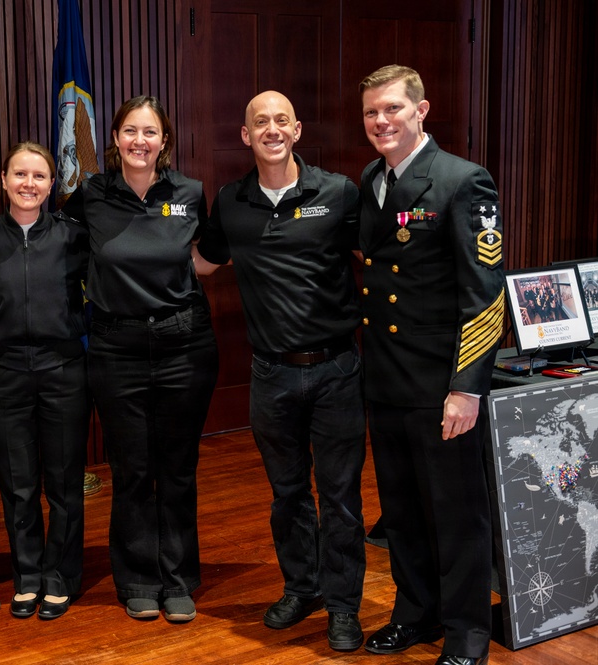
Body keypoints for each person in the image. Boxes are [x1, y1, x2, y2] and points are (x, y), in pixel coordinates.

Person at [191, 91, 367, 651]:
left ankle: (343, 607)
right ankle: (302, 587)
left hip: (338, 370)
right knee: (287, 493)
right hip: (270, 376)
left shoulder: (338, 193)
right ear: (245, 136)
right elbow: (201, 261)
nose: (271, 129)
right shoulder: (232, 201)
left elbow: (380, 263)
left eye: (280, 120)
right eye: (258, 122)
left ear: (296, 128)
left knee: (340, 496)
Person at [358, 65, 504, 665]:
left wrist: (465, 389)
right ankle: (414, 613)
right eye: (370, 112)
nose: (380, 121)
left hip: (440, 384)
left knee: (455, 514)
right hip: (386, 381)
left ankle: (467, 630)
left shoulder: (462, 181)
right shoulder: (372, 178)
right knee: (402, 512)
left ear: (422, 110)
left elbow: (485, 295)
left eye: (392, 108)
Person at [62, 95, 219, 623]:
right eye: (130, 131)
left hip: (184, 345)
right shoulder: (90, 195)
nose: (139, 142)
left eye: (150, 133)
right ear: (115, 138)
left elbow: (209, 256)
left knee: (177, 468)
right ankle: (136, 579)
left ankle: (178, 579)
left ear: (165, 142)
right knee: (131, 469)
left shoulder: (191, 193)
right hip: (115, 350)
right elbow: (59, 249)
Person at [0, 142, 90, 620]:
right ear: (3, 180)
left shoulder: (74, 237)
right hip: (4, 374)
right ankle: (27, 576)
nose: (28, 184)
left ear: (51, 184)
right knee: (19, 483)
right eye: (19, 174)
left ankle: (60, 575)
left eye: (39, 176)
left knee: (64, 482)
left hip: (63, 370)